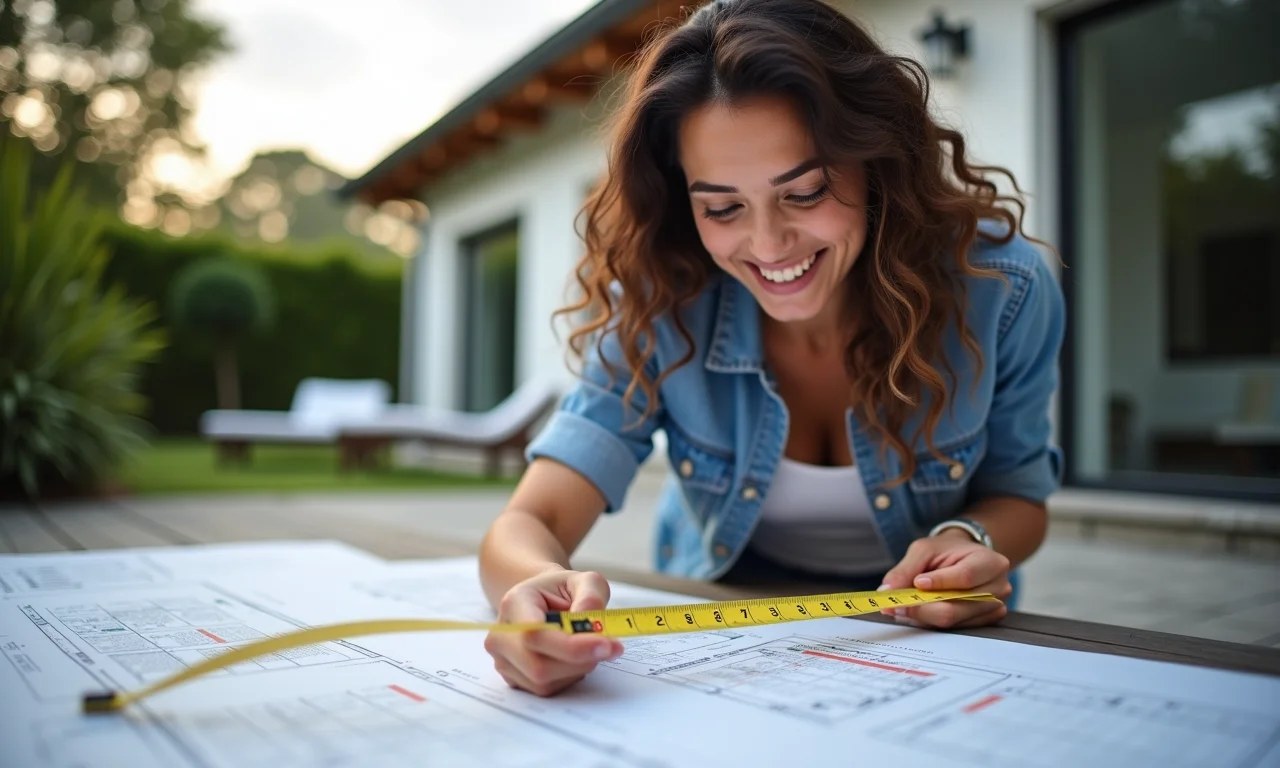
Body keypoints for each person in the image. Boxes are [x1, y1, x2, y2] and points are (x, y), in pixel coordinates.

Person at [478, 0, 1065, 697]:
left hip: (942, 650)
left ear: (876, 161)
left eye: (806, 190)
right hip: (723, 629)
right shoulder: (662, 301)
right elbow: (530, 520)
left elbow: (1019, 498)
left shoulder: (1003, 290)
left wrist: (971, 541)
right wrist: (532, 588)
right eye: (722, 207)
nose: (768, 245)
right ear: (681, 200)